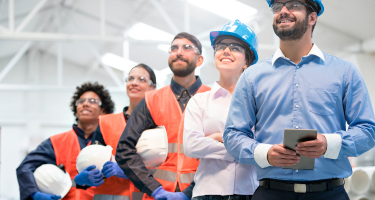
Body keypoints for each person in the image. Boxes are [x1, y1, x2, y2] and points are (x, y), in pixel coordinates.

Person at [223, 0, 375, 200]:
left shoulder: (344, 72)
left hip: (329, 194)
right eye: (277, 7)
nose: (283, 11)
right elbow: (233, 134)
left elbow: (367, 131)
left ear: (312, 17)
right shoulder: (252, 76)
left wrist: (329, 143)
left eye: (293, 4)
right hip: (270, 194)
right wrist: (264, 153)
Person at [116, 32, 211, 200]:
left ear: (200, 60)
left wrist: (189, 193)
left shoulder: (214, 98)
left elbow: (223, 153)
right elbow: (125, 150)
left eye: (187, 47)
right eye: (174, 48)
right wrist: (155, 189)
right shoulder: (151, 100)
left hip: (202, 194)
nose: (179, 52)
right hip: (159, 196)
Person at [183, 20, 259, 200]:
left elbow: (263, 146)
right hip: (207, 194)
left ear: (247, 61)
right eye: (221, 46)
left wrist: (218, 138)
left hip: (249, 193)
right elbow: (191, 146)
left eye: (235, 47)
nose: (226, 50)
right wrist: (241, 147)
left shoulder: (259, 104)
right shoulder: (199, 101)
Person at [16, 82, 115, 200]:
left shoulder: (111, 142)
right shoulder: (56, 142)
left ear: (103, 110)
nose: (85, 104)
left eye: (92, 101)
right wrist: (33, 193)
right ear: (76, 109)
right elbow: (25, 167)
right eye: (81, 101)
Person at [74, 64, 157, 200]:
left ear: (153, 88)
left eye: (141, 79)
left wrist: (131, 171)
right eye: (130, 78)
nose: (134, 83)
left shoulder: (159, 124)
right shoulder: (106, 123)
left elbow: (167, 168)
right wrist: (83, 177)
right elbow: (90, 159)